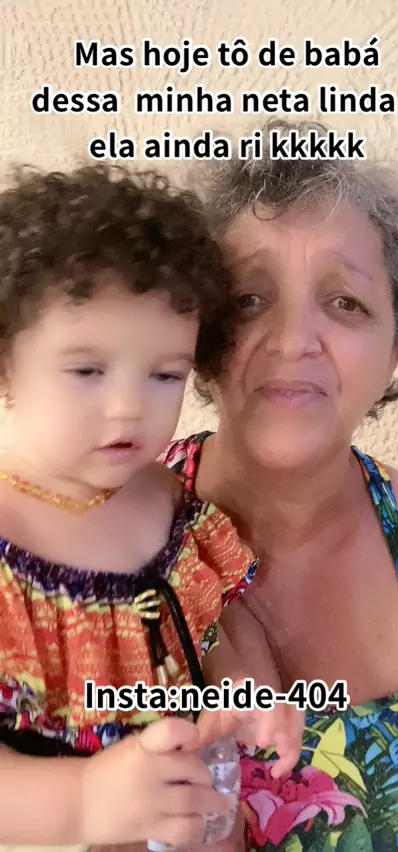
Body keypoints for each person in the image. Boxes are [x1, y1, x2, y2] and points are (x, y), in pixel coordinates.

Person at [162, 119, 398, 851]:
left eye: (345, 302)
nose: (293, 340)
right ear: (195, 336)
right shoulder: (101, 540)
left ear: (393, 353)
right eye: (248, 299)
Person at [0, 164, 302, 850]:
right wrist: (82, 801)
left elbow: (211, 634)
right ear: (7, 363)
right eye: (87, 370)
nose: (129, 407)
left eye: (165, 374)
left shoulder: (166, 501)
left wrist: (250, 696)